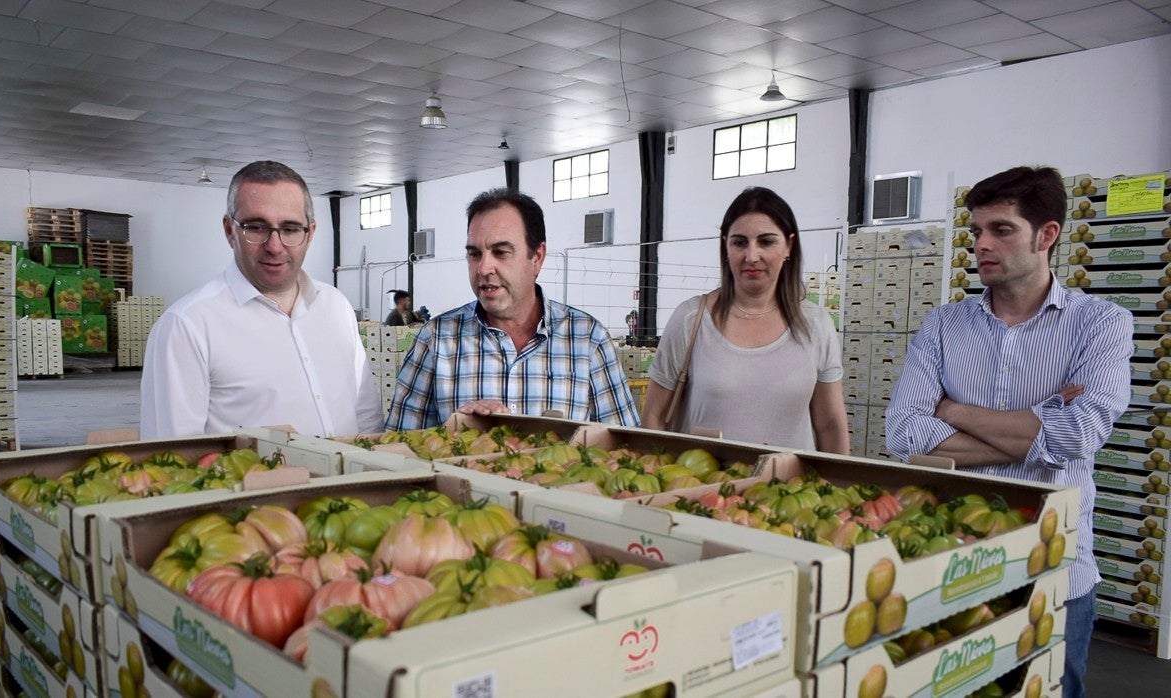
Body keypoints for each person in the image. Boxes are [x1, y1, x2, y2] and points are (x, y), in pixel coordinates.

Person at [885, 166, 1132, 698]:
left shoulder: (1102, 324)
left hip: (1056, 566)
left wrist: (951, 410)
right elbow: (904, 436)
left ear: (1047, 235)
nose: (982, 245)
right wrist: (1041, 420)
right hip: (952, 562)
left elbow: (1079, 437)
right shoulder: (944, 326)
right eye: (976, 232)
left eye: (1002, 230)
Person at [140, 160, 383, 439]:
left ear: (310, 233)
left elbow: (365, 417)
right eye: (256, 227)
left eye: (290, 229)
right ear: (230, 231)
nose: (274, 246)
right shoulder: (187, 325)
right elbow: (172, 454)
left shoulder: (335, 306)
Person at [385, 188, 640, 430]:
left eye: (501, 252)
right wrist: (451, 434)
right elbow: (395, 451)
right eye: (474, 254)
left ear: (537, 257)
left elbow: (625, 449)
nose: (484, 268)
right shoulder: (436, 341)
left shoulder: (588, 341)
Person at [641, 186, 848, 453]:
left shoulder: (816, 325)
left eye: (766, 241)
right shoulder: (691, 319)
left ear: (789, 246)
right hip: (702, 490)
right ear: (725, 246)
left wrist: (837, 487)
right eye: (739, 242)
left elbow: (830, 424)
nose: (752, 256)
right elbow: (654, 417)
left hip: (791, 491)